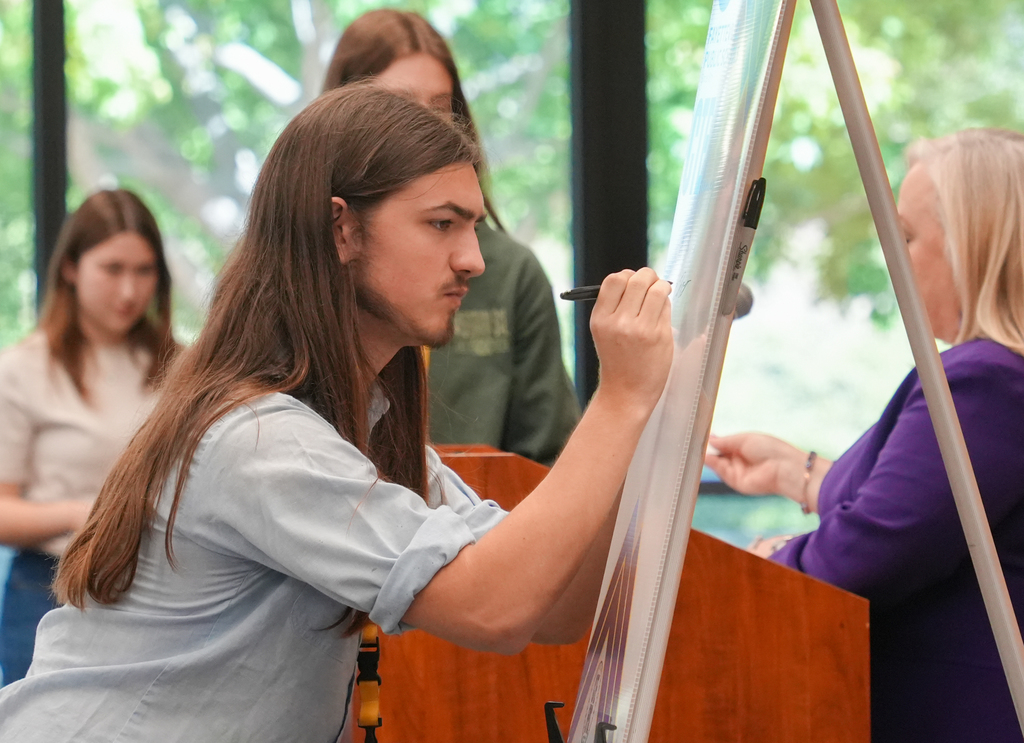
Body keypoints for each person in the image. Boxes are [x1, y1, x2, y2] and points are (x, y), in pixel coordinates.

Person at [0, 85, 672, 742]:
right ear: (341, 228)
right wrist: (620, 400)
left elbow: (550, 608)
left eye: (472, 226)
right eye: (442, 223)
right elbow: (491, 608)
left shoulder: (362, 430)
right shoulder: (259, 438)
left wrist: (641, 422)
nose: (471, 259)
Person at [705, 128, 1024, 742]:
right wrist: (796, 472)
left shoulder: (985, 381)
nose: (893, 256)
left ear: (972, 247)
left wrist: (766, 559)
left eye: (907, 236)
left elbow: (867, 554)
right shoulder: (996, 376)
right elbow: (927, 511)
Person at [324, 9, 580, 466]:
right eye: (396, 109)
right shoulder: (296, 275)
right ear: (343, 231)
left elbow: (548, 461)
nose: (423, 129)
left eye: (439, 110)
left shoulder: (508, 271)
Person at [0, 189, 175, 687]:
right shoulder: (23, 369)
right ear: (72, 269)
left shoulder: (178, 369)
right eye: (112, 269)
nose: (129, 291)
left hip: (157, 591)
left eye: (144, 272)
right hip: (50, 587)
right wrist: (88, 514)